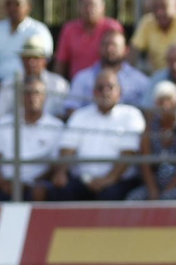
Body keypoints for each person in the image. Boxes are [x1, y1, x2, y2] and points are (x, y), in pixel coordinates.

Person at [48, 68, 143, 201]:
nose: (105, 92)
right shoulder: (80, 115)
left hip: (118, 181)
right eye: (100, 88)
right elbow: (67, 147)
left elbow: (128, 154)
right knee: (60, 190)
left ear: (119, 92)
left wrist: (107, 180)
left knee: (109, 196)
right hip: (83, 180)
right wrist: (61, 172)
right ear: (93, 92)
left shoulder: (131, 115)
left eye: (110, 87)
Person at [0, 79, 64, 201]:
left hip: (36, 184)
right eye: (27, 93)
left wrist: (30, 183)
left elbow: (54, 166)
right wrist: (2, 183)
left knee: (40, 191)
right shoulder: (4, 122)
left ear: (45, 97)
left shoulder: (56, 126)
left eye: (36, 93)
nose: (32, 97)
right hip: (4, 183)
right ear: (20, 97)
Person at [128, 80, 176, 201]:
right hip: (156, 182)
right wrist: (153, 189)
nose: (165, 105)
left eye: (169, 100)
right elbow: (145, 163)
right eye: (160, 101)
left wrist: (169, 189)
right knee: (134, 198)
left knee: (169, 198)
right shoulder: (150, 127)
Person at [0, 0, 53, 91]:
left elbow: (44, 61)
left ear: (29, 6)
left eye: (17, 4)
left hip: (29, 88)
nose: (12, 8)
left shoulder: (39, 31)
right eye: (8, 4)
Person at [53, 0, 122, 79]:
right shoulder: (69, 29)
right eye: (85, 5)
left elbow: (121, 58)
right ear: (78, 7)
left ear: (103, 7)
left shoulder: (112, 28)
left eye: (93, 5)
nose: (89, 9)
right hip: (77, 87)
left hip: (105, 86)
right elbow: (61, 62)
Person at [0, 40, 69, 120]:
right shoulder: (8, 84)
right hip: (15, 131)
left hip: (50, 131)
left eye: (36, 58)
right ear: (21, 59)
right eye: (27, 58)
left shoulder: (59, 84)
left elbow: (63, 116)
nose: (31, 62)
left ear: (45, 60)